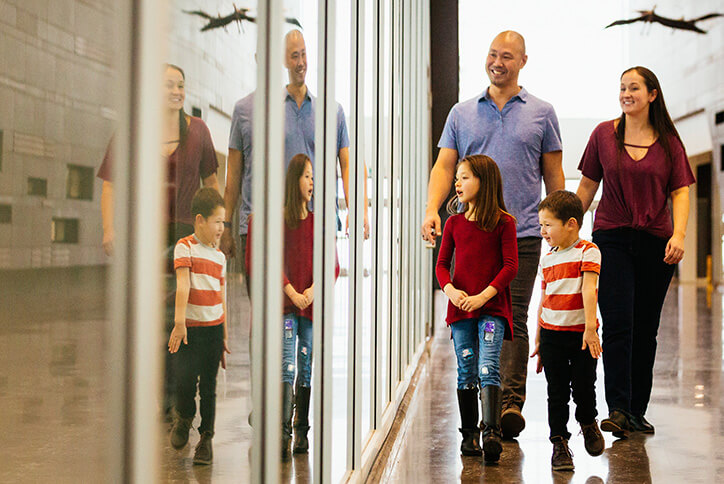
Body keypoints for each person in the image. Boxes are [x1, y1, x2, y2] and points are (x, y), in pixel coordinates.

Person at [422, 30, 564, 439]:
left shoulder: (542, 112)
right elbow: (444, 168)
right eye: (492, 54)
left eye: (506, 56)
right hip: (471, 235)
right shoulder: (461, 113)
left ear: (522, 61)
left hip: (521, 231)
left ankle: (509, 404)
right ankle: (486, 399)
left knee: (512, 316)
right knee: (476, 315)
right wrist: (432, 207)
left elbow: (553, 174)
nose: (497, 62)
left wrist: (562, 228)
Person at [577, 66, 695, 437]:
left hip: (656, 243)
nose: (626, 94)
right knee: (618, 323)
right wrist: (565, 226)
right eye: (622, 88)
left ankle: (636, 410)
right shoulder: (603, 135)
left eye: (634, 88)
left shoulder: (669, 143)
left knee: (646, 329)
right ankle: (617, 407)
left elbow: (681, 192)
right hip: (612, 236)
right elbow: (586, 186)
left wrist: (679, 235)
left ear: (652, 95)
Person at [98, 64, 221, 419]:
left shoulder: (198, 130)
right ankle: (159, 390)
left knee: (181, 315)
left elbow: (211, 183)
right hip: (146, 236)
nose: (176, 90)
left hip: (184, 236)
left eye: (181, 85)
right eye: (169, 84)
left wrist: (216, 230)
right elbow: (111, 183)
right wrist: (109, 228)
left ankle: (175, 393)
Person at [221, 29, 368, 294]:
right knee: (276, 314)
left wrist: (358, 212)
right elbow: (235, 175)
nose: (300, 63)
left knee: (312, 317)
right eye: (293, 56)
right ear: (284, 61)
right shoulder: (262, 111)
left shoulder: (332, 112)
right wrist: (228, 225)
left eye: (303, 55)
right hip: (274, 226)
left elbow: (349, 164)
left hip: (316, 225)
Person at [245, 154, 339, 458]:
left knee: (305, 364)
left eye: (314, 177)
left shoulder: (319, 221)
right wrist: (290, 291)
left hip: (310, 308)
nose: (312, 182)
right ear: (293, 179)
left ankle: (301, 429)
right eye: (307, 176)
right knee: (286, 363)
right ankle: (282, 430)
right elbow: (270, 259)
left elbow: (332, 264)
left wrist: (313, 290)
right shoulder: (277, 219)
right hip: (286, 307)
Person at [435, 155, 518, 463]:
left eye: (465, 177)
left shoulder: (504, 223)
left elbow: (510, 266)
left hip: (490, 310)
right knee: (466, 369)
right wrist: (451, 291)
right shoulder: (454, 223)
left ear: (485, 182)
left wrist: (484, 296)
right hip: (461, 314)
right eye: (457, 177)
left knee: (489, 366)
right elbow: (442, 265)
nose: (458, 183)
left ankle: (491, 432)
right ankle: (469, 435)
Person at [530, 190, 605, 472]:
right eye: (541, 225)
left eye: (548, 225)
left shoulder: (589, 251)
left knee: (584, 386)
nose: (543, 232)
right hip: (552, 335)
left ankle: (588, 421)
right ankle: (559, 443)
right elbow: (545, 296)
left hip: (581, 335)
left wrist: (590, 329)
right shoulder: (547, 258)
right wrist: (539, 335)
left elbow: (589, 289)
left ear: (571, 224)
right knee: (556, 391)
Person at [167, 187, 231, 465]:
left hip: (213, 330)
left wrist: (225, 336)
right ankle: (183, 417)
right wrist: (179, 323)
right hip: (189, 330)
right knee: (183, 381)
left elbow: (222, 297)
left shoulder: (220, 258)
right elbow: (183, 285)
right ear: (199, 220)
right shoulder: (185, 246)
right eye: (216, 221)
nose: (221, 228)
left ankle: (206, 438)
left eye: (224, 223)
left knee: (209, 387)